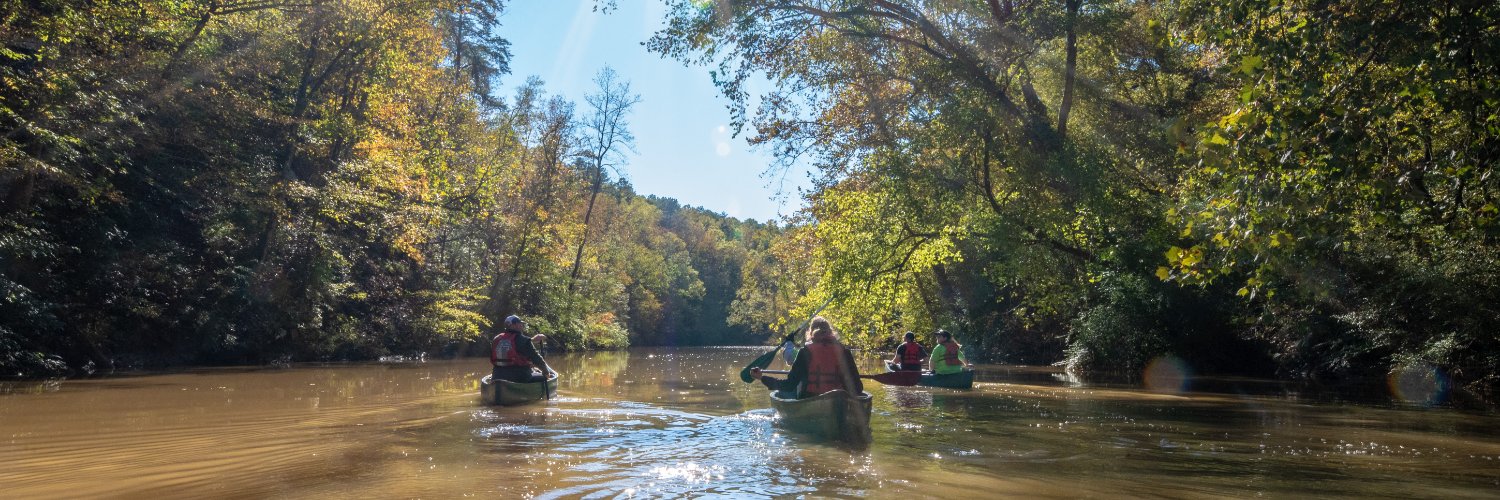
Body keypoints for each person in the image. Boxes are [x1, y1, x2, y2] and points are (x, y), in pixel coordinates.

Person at [751, 316, 863, 398]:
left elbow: (789, 386)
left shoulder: (805, 352)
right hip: (840, 399)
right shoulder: (844, 352)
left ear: (810, 333)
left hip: (810, 398)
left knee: (793, 391)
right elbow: (858, 388)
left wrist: (762, 377)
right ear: (831, 332)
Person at [491, 315, 553, 383]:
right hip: (520, 378)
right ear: (516, 325)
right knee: (546, 377)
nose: (521, 325)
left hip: (497, 376)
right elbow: (537, 358)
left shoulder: (496, 339)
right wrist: (546, 372)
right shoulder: (523, 340)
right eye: (520, 323)